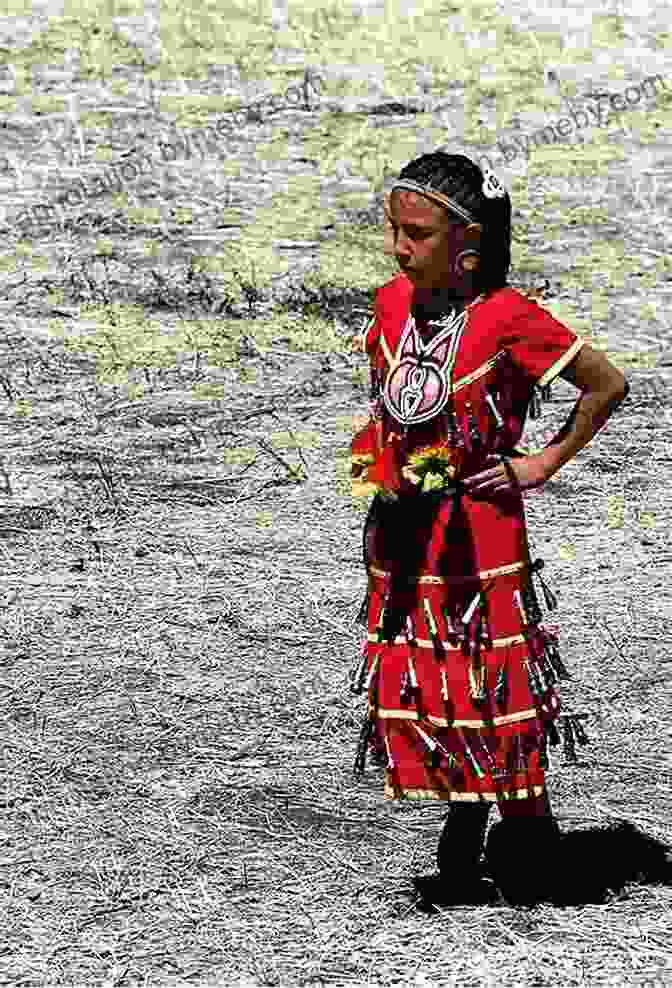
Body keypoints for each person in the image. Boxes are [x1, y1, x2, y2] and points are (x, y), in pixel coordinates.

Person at [350, 152, 629, 907]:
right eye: (394, 229)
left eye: (416, 234)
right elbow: (393, 413)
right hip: (407, 532)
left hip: (481, 533)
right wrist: (382, 470)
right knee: (431, 675)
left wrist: (542, 462)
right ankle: (485, 815)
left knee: (491, 678)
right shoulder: (390, 309)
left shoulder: (508, 317)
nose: (398, 247)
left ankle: (509, 826)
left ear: (467, 245)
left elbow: (607, 384)